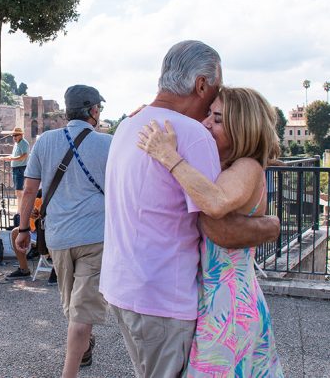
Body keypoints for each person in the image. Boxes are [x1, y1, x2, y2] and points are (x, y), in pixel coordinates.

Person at [99, 40, 281, 378]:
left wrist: (272, 225)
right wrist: (271, 226)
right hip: (167, 297)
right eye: (212, 105)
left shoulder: (127, 125)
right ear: (200, 85)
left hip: (127, 288)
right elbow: (217, 225)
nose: (209, 120)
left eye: (219, 117)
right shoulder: (189, 134)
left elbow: (216, 218)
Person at [137, 87, 284, 377]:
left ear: (243, 127)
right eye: (208, 114)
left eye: (217, 119)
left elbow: (215, 203)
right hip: (225, 298)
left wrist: (168, 156)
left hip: (227, 305)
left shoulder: (247, 166)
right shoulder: (228, 166)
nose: (205, 123)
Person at [15, 84, 111, 377]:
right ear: (93, 111)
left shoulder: (44, 141)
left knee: (74, 306)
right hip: (96, 235)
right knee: (78, 310)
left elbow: (29, 189)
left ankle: (70, 369)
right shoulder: (109, 144)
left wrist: (23, 229)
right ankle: (84, 342)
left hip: (58, 236)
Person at [7, 190, 58, 284]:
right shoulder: (39, 193)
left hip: (54, 229)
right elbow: (28, 208)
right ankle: (24, 269)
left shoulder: (61, 193)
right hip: (37, 229)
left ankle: (58, 269)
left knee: (58, 234)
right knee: (15, 232)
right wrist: (31, 213)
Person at [0, 127, 30, 214]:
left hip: (21, 169)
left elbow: (24, 156)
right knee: (18, 191)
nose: (14, 137)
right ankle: (19, 211)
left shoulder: (24, 143)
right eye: (13, 135)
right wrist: (7, 157)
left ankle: (20, 212)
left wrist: (9, 159)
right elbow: (14, 155)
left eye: (16, 135)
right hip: (16, 169)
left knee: (19, 191)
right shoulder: (17, 143)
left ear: (21, 135)